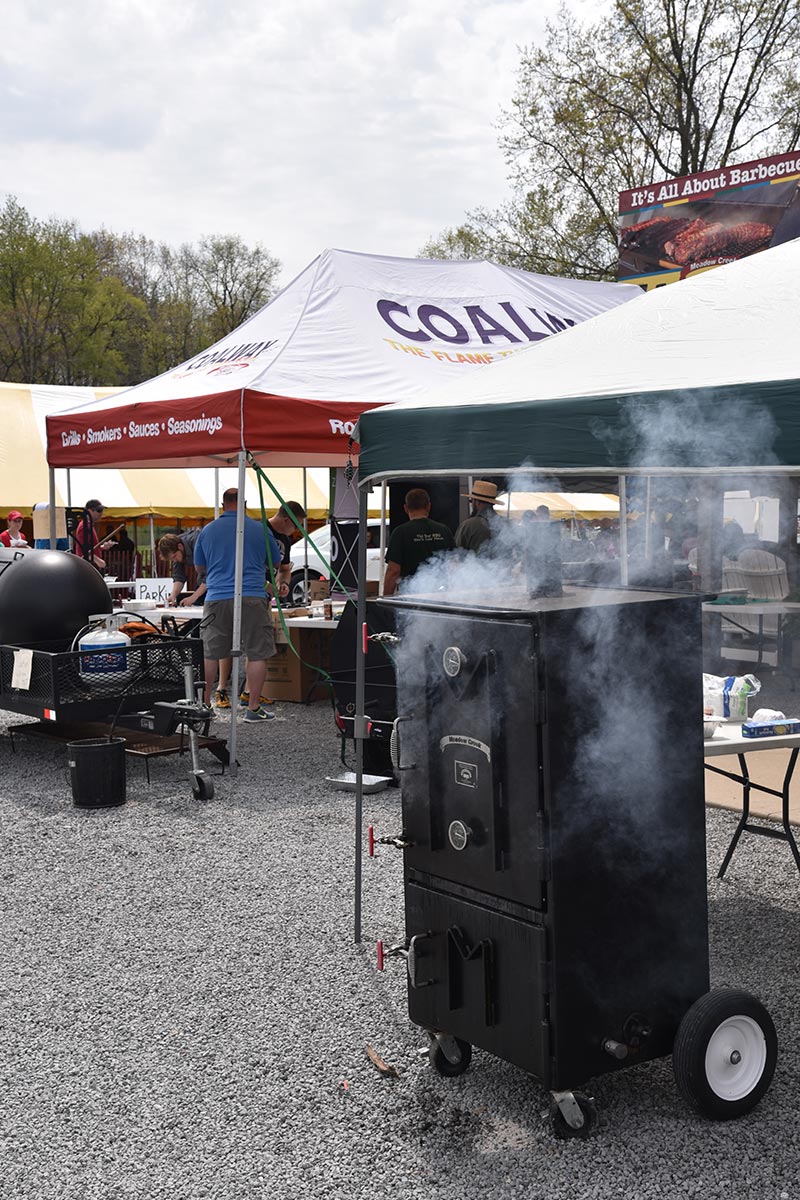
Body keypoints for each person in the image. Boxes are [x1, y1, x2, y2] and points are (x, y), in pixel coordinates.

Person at [193, 488, 281, 723]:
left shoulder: (207, 531)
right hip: (252, 594)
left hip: (217, 596)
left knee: (211, 652)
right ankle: (253, 708)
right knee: (257, 651)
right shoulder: (259, 529)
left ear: (222, 505)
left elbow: (200, 568)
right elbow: (276, 561)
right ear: (243, 504)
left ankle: (204, 705)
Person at [383, 488, 455, 595]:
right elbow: (454, 566)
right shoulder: (444, 530)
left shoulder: (400, 533)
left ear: (406, 508)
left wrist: (386, 600)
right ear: (428, 506)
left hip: (410, 596)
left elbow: (393, 571)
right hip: (440, 595)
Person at [267, 501, 307, 600]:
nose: (297, 530)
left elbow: (284, 569)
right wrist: (265, 585)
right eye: (297, 526)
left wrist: (284, 583)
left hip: (266, 597)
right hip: (251, 593)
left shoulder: (285, 540)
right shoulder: (260, 530)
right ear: (286, 520)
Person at [158, 528, 207, 607]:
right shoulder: (177, 549)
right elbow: (179, 577)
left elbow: (209, 575)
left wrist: (193, 597)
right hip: (205, 578)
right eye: (172, 559)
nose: (175, 560)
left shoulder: (197, 543)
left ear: (180, 546)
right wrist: (173, 595)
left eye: (174, 556)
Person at [454, 480, 500, 552]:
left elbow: (456, 553)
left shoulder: (468, 525)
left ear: (476, 502)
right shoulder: (504, 524)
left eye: (471, 501)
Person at [73, 500, 113, 572]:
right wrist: (98, 560)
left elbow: (90, 547)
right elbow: (84, 550)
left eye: (101, 510)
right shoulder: (84, 527)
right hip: (87, 567)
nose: (101, 513)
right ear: (89, 511)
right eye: (99, 510)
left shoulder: (89, 526)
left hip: (90, 566)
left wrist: (102, 547)